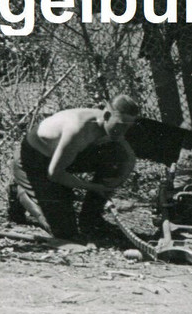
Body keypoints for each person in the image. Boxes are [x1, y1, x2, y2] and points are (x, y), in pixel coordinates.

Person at [10, 95, 140, 242]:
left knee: (117, 156)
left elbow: (128, 155)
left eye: (127, 127)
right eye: (121, 125)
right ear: (107, 115)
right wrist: (93, 187)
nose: (123, 131)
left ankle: (90, 219)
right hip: (33, 161)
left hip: (60, 158)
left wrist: (116, 180)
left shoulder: (111, 125)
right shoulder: (78, 129)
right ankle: (20, 191)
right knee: (64, 231)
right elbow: (55, 175)